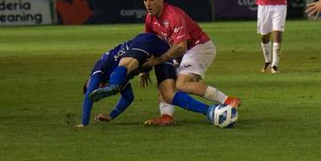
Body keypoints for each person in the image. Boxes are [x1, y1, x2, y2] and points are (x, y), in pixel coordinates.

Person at [140, 0, 240, 126]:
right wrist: (144, 70)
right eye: (145, 0)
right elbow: (149, 43)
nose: (148, 4)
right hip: (182, 54)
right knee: (165, 83)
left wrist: (158, 60)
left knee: (182, 84)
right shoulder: (150, 19)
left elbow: (181, 47)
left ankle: (228, 100)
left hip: (199, 47)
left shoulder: (174, 15)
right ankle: (166, 116)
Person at [81, 33, 220, 127]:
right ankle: (210, 111)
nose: (97, 84)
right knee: (168, 94)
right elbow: (128, 98)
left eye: (94, 85)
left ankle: (113, 87)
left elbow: (89, 94)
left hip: (144, 41)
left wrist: (84, 123)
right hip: (161, 51)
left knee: (122, 67)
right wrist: (111, 115)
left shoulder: (98, 69)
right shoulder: (119, 78)